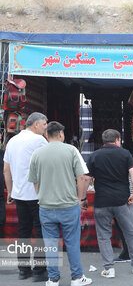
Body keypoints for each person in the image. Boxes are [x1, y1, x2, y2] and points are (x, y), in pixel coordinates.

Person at [28, 121, 92, 286]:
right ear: (61, 134)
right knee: (72, 243)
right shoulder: (71, 150)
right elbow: (83, 177)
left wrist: (42, 196)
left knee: (50, 245)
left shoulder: (37, 154)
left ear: (46, 135)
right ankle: (77, 278)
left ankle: (53, 279)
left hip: (46, 207)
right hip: (68, 206)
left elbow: (34, 182)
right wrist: (80, 198)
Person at [86, 129, 133, 278]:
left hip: (102, 201)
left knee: (104, 236)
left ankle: (109, 269)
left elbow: (85, 178)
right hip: (122, 201)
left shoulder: (94, 156)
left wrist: (82, 198)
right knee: (131, 232)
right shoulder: (124, 154)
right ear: (117, 139)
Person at [3, 112, 48, 281]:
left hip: (20, 193)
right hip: (37, 194)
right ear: (35, 124)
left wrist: (11, 191)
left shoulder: (13, 141)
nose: (46, 128)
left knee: (23, 231)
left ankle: (23, 269)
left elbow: (6, 170)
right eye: (44, 124)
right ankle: (39, 270)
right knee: (40, 232)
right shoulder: (39, 141)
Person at [113, 174, 133, 263]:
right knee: (127, 226)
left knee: (124, 226)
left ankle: (128, 253)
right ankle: (130, 253)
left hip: (123, 192)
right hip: (127, 190)